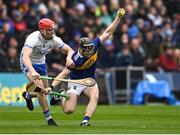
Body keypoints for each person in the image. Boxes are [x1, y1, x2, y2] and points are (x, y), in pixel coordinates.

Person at [46, 8, 126, 126]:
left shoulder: (94, 45)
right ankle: (62, 96)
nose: (90, 51)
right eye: (87, 49)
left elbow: (108, 32)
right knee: (69, 110)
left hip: (89, 80)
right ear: (81, 48)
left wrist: (118, 18)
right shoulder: (74, 59)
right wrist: (51, 86)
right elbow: (63, 74)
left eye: (90, 48)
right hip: (75, 82)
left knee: (95, 95)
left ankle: (85, 121)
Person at [20, 18, 75, 126]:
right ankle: (49, 119)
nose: (53, 32)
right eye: (50, 30)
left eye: (53, 29)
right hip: (28, 63)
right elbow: (26, 57)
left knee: (45, 91)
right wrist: (33, 71)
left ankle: (29, 95)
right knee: (41, 90)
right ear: (43, 31)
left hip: (41, 63)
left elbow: (70, 50)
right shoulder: (32, 38)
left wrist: (69, 58)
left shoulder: (54, 39)